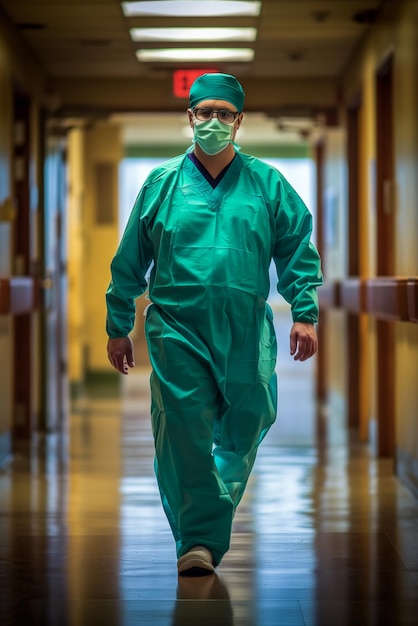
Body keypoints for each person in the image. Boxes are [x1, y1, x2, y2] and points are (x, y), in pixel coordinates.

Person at [106, 73, 323, 577]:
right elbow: (129, 261)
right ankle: (198, 540)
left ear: (239, 121)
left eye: (224, 114)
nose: (213, 122)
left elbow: (297, 250)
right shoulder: (161, 184)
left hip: (245, 327)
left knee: (247, 423)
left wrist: (305, 312)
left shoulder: (268, 184)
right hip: (175, 327)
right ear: (190, 117)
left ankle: (209, 508)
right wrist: (119, 323)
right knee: (182, 429)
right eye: (204, 112)